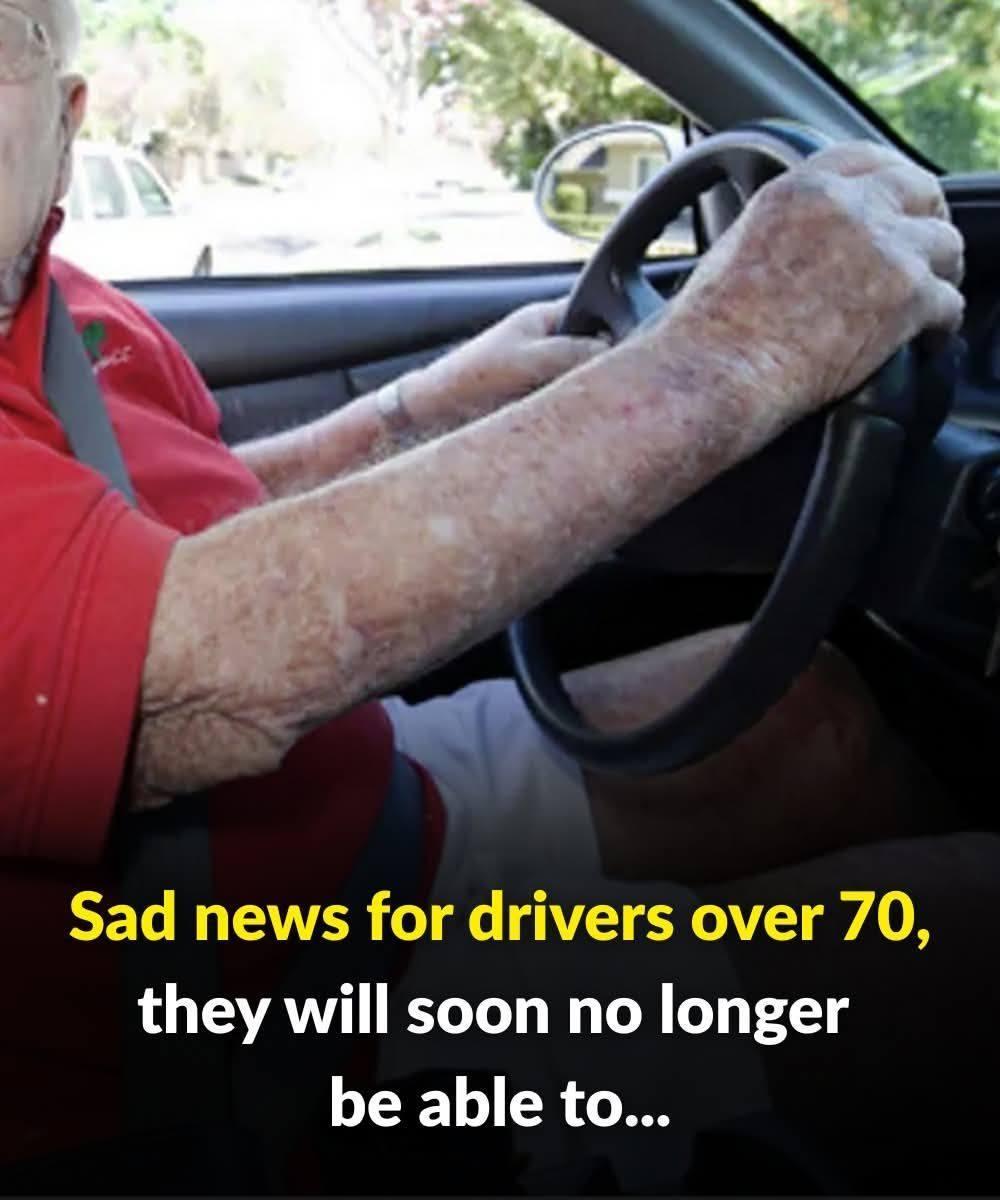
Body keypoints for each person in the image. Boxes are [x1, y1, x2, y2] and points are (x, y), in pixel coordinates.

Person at [1, 0, 993, 1192]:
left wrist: (420, 412)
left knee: (811, 712)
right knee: (966, 933)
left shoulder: (62, 301)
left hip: (339, 812)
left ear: (66, 125)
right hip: (231, 1020)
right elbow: (194, 674)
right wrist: (738, 350)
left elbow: (161, 532)